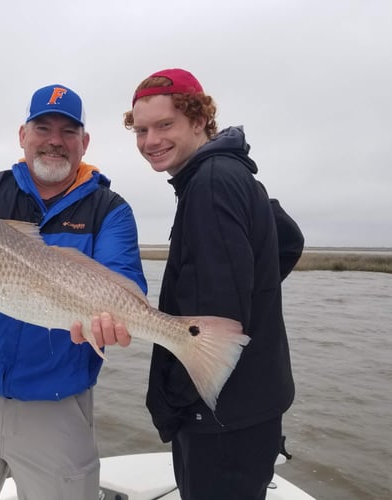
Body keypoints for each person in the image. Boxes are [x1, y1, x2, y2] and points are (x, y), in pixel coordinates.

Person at [0, 83, 147, 500]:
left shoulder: (109, 209)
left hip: (57, 404)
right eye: (43, 127)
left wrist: (119, 321)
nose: (54, 140)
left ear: (84, 142)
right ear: (23, 135)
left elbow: (124, 281)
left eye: (68, 131)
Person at [76, 68, 304, 499]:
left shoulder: (211, 182)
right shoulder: (231, 172)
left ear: (199, 121)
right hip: (252, 407)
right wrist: (256, 295)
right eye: (141, 130)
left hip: (219, 414)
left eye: (165, 125)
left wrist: (175, 405)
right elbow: (289, 239)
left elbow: (212, 324)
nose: (150, 141)